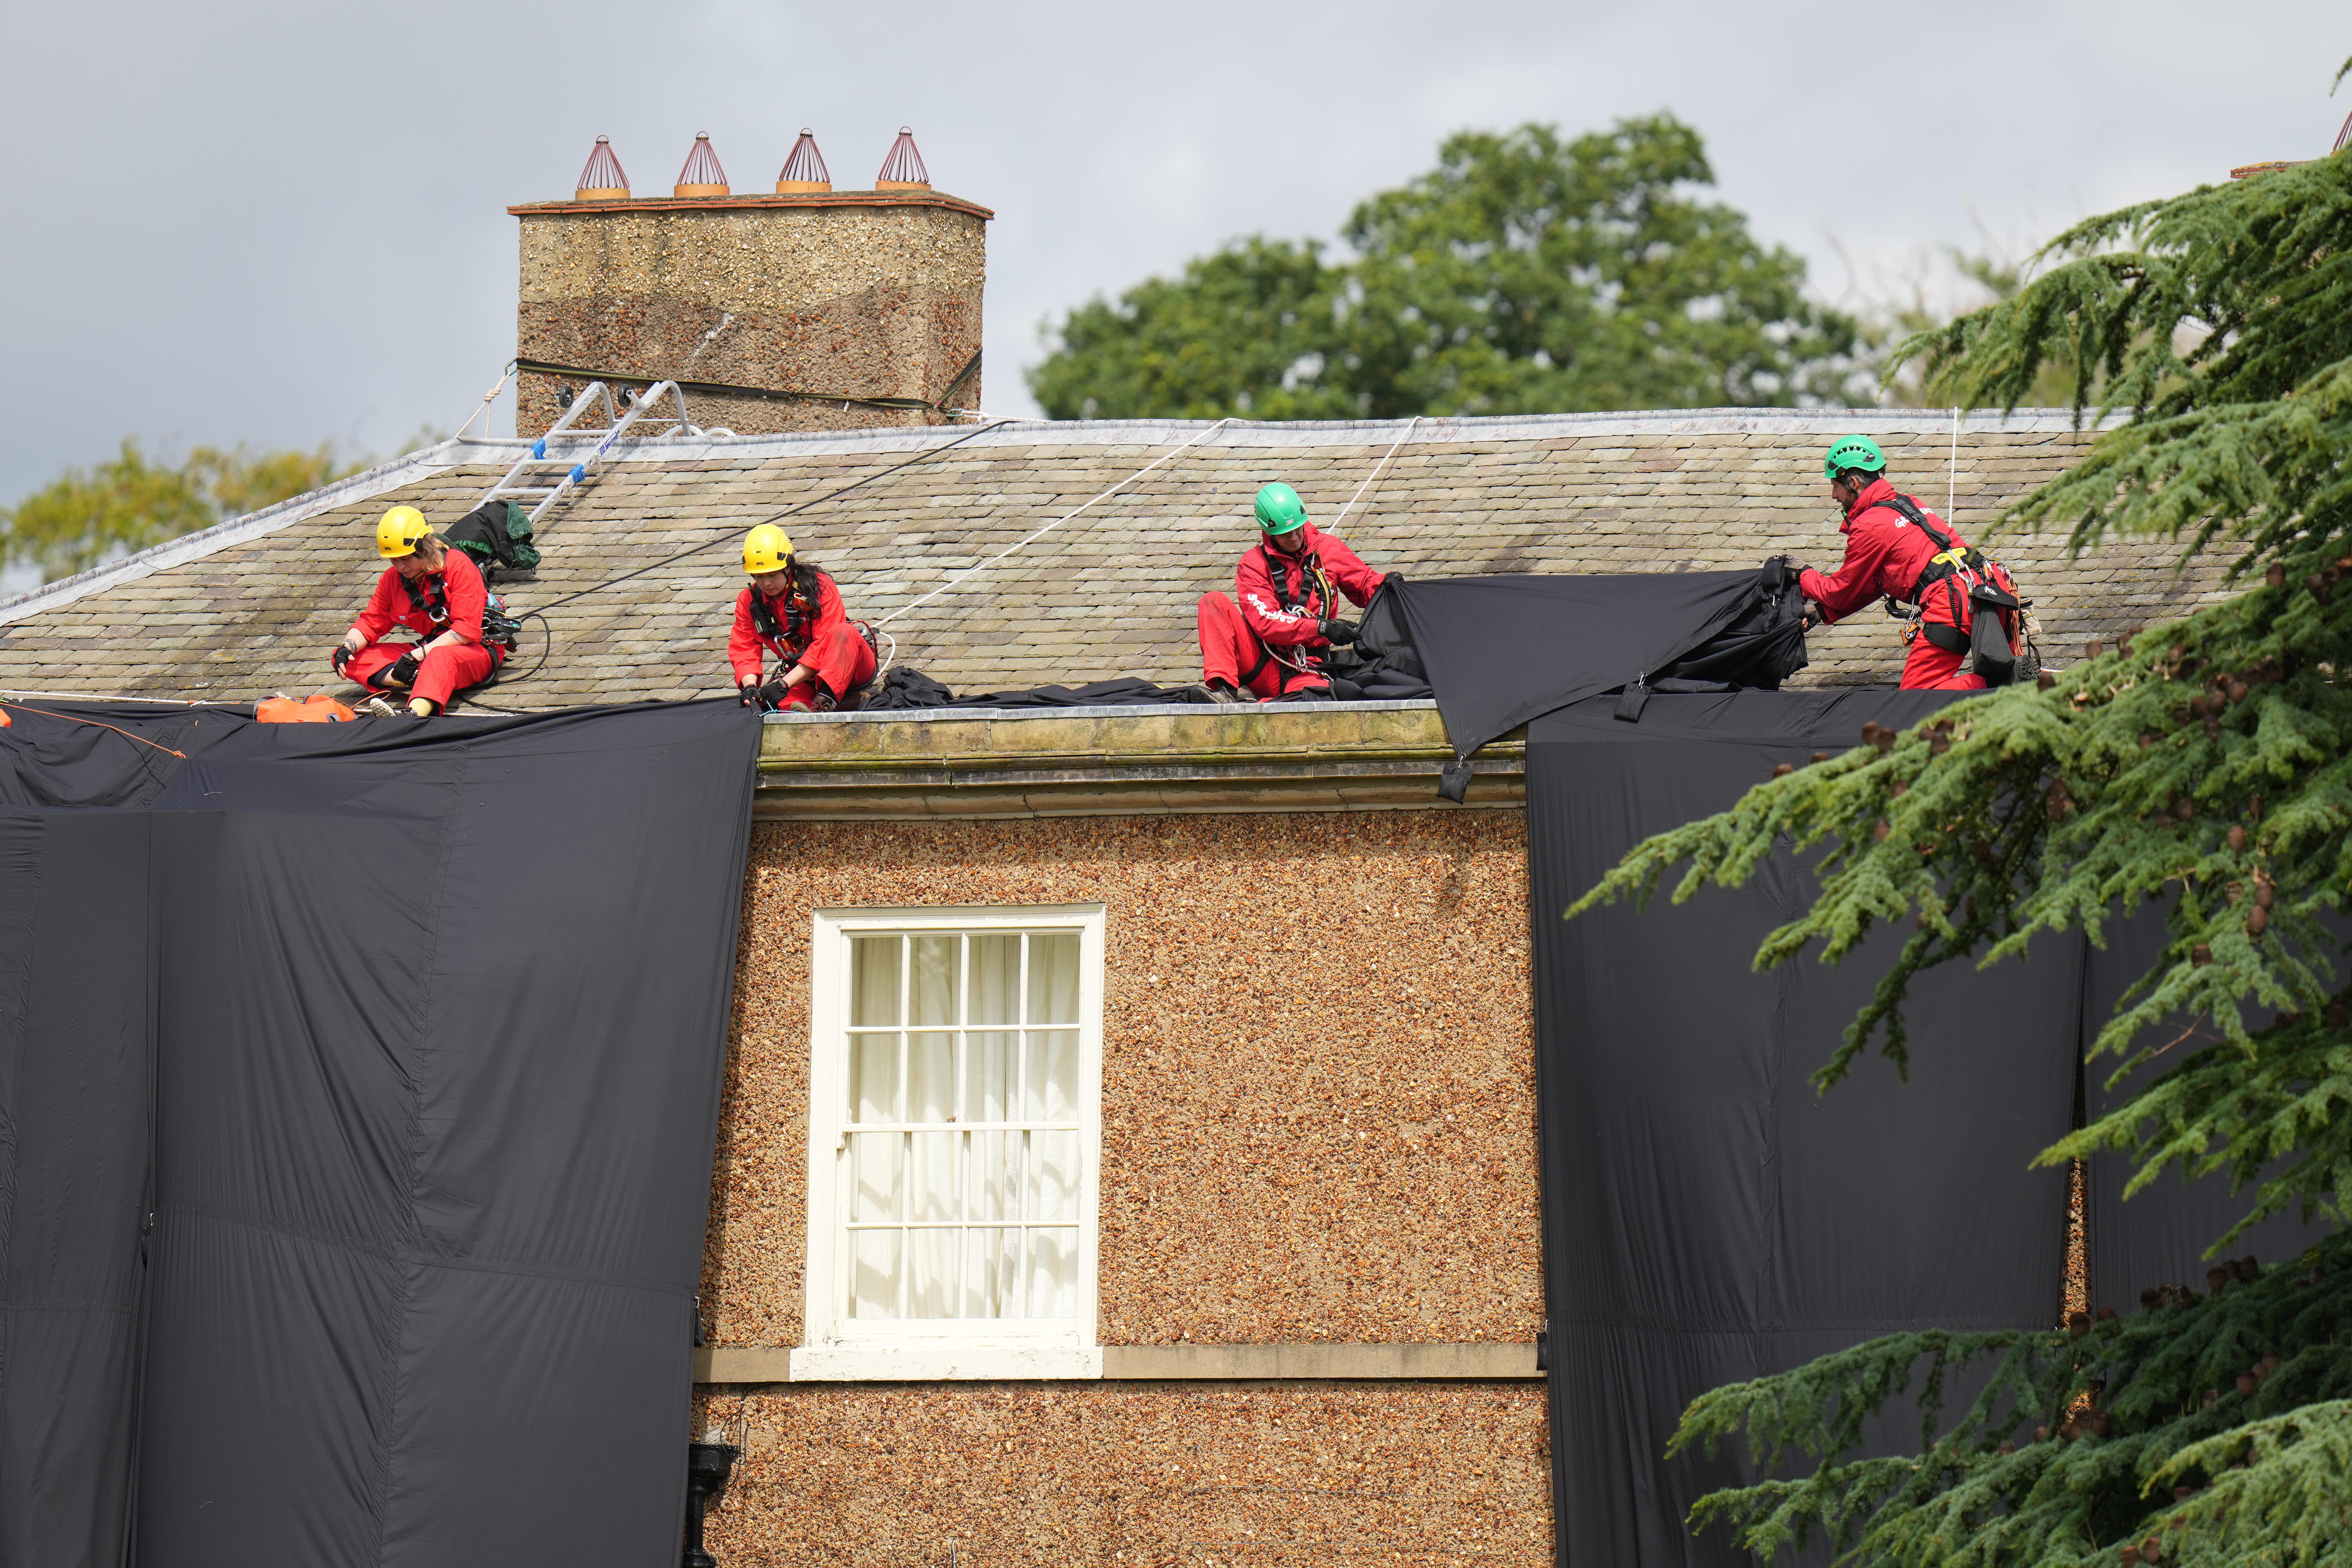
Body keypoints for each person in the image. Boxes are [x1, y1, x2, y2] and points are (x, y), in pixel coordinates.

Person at [1797, 435, 2013, 692]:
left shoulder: (1870, 525)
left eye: (1835, 486)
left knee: (1915, 698)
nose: (1834, 495)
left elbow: (1839, 591)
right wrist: (1825, 612)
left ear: (1853, 483)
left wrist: (1799, 574)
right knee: (2001, 669)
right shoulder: (1910, 504)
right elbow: (1877, 582)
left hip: (1953, 604)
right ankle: (2024, 678)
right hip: (1994, 593)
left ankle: (2009, 682)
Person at [1194, 483, 1388, 703]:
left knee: (1312, 700)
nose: (1294, 537)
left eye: (1297, 529)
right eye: (1285, 534)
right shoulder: (1253, 565)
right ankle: (1225, 692)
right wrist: (1322, 628)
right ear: (1268, 531)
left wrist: (1390, 587)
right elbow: (1266, 621)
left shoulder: (1328, 549)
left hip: (1308, 667)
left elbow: (1366, 584)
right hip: (1263, 664)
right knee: (1213, 601)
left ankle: (1260, 706)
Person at [333, 506, 505, 716]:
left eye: (406, 558)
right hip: (427, 650)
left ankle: (414, 715)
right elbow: (370, 623)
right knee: (346, 657)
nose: (400, 567)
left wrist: (416, 656)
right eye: (394, 560)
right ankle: (417, 679)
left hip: (475, 650)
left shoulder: (459, 567)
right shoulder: (392, 580)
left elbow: (465, 632)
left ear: (424, 548)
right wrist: (346, 648)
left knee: (439, 658)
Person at [729, 524, 875, 711]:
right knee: (769, 704)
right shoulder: (749, 602)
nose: (766, 583)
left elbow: (824, 645)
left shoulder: (820, 587)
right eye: (759, 576)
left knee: (843, 631)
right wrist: (750, 686)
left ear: (788, 567)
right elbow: (745, 648)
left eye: (773, 575)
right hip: (804, 677)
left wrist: (783, 684)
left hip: (851, 666)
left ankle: (827, 700)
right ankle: (839, 704)